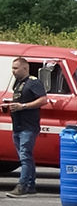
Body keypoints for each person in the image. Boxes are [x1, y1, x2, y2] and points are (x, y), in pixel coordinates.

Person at [4, 57, 48, 197]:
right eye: (12, 68)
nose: (13, 71)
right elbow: (19, 99)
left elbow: (43, 99)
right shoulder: (18, 83)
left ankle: (22, 187)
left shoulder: (33, 82)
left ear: (25, 68)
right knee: (26, 157)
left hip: (28, 126)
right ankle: (30, 185)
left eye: (16, 68)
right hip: (17, 125)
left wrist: (23, 106)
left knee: (25, 156)